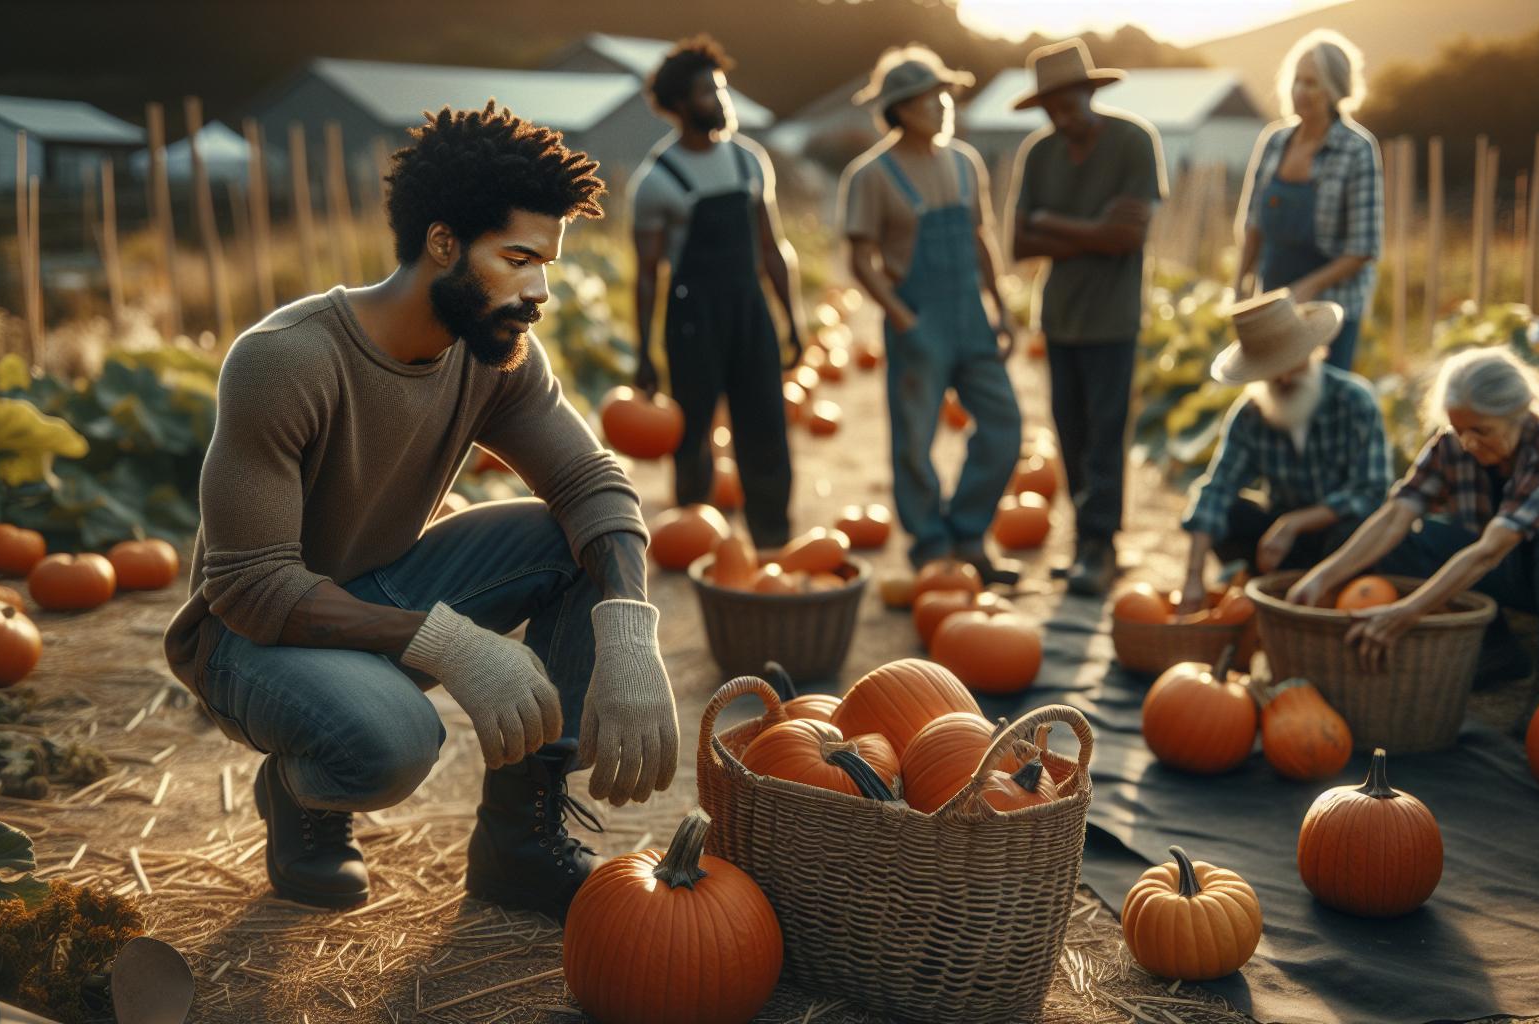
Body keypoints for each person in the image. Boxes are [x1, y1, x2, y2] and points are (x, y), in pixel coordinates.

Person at [163, 103, 680, 919]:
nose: (540, 290)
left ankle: (516, 845)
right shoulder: (285, 360)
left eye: (547, 263)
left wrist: (626, 626)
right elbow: (253, 587)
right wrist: (449, 643)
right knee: (395, 742)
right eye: (517, 258)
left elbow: (592, 485)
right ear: (443, 243)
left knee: (572, 541)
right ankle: (305, 796)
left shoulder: (494, 355)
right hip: (246, 639)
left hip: (369, 591)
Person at [1288, 347, 1539, 706]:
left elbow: (1491, 550)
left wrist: (1408, 611)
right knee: (1409, 542)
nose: (1468, 442)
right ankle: (1497, 648)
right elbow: (1395, 515)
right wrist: (1323, 575)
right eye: (1459, 429)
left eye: (1481, 430)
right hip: (1514, 570)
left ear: (1518, 413)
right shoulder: (1452, 444)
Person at [838, 45, 1022, 582]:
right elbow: (861, 258)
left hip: (970, 314)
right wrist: (900, 317)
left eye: (944, 95)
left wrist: (1001, 306)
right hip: (917, 319)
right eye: (928, 99)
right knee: (915, 440)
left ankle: (968, 533)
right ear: (898, 110)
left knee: (1005, 424)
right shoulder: (871, 175)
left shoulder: (965, 163)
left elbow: (980, 237)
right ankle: (930, 544)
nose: (943, 106)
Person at [630, 35, 804, 549]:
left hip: (750, 311)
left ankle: (772, 539)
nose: (721, 100)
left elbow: (774, 248)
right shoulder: (655, 181)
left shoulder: (750, 161)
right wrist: (645, 353)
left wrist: (792, 320)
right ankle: (694, 537)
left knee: (766, 427)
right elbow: (646, 275)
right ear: (681, 105)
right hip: (692, 319)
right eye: (708, 92)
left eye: (722, 89)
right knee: (692, 434)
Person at [1009, 38, 1167, 596]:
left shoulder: (1133, 142)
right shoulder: (1040, 153)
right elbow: (1019, 242)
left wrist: (1055, 223)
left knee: (1105, 432)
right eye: (1051, 108)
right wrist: (1092, 231)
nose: (1061, 116)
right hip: (1060, 317)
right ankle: (1083, 540)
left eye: (1068, 103)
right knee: (1069, 432)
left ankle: (1100, 545)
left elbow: (1130, 235)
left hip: (1113, 317)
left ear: (1088, 92)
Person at [1176, 290, 1390, 612]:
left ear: (1316, 351)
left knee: (1357, 527)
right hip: (1280, 548)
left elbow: (1371, 492)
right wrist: (1193, 578)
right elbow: (1215, 491)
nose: (1286, 377)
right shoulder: (1250, 414)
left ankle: (1331, 594)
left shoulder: (1354, 400)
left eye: (1293, 364)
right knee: (1231, 514)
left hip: (1340, 542)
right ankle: (1265, 586)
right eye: (1273, 371)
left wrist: (1295, 523)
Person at [1234, 29, 1382, 372]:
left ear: (1335, 89)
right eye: (1296, 81)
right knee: (1274, 402)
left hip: (1330, 310)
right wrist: (1239, 286)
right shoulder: (1274, 141)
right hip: (1272, 304)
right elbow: (1253, 223)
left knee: (1323, 403)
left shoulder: (1356, 149)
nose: (1300, 91)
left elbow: (1363, 247)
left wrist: (1308, 287)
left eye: (1312, 83)